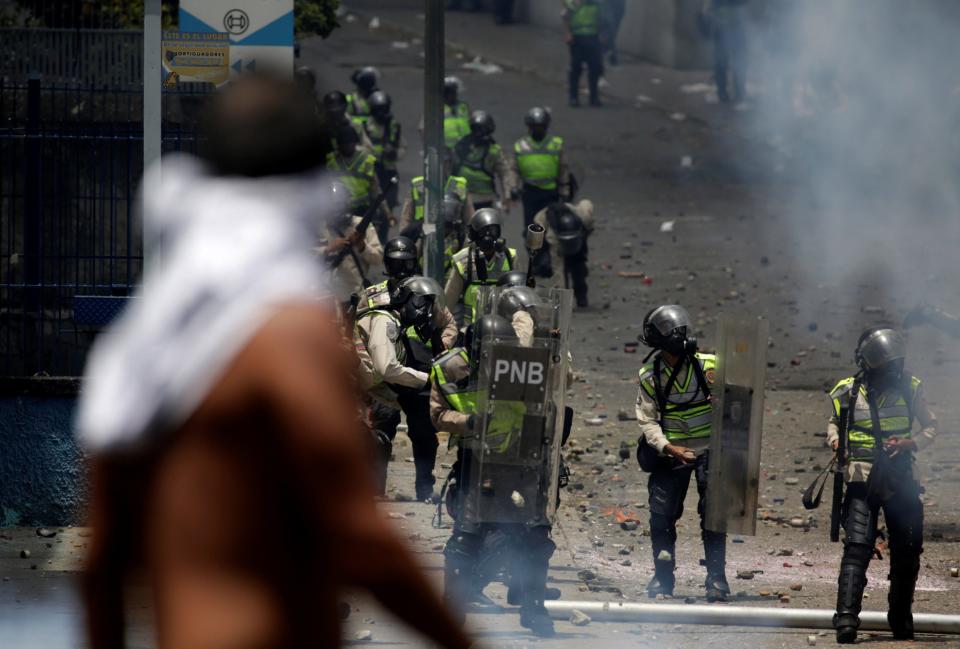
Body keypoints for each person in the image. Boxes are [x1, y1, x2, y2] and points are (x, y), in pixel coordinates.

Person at [76, 74, 471, 649]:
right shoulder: (287, 327)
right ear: (313, 168)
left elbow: (104, 565)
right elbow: (359, 536)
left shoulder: (146, 345)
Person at [430, 314, 558, 637]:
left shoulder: (523, 366)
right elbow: (437, 414)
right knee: (466, 538)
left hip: (522, 461)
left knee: (536, 536)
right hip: (477, 461)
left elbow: (552, 401)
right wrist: (469, 422)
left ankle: (533, 609)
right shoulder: (449, 368)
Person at [827, 328, 936, 643]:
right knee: (857, 548)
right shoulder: (847, 391)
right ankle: (846, 620)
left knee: (907, 549)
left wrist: (910, 443)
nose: (892, 369)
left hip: (900, 477)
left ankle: (900, 618)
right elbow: (834, 422)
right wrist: (837, 443)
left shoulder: (910, 388)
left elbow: (931, 426)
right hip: (861, 478)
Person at [634, 304, 730, 602]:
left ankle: (717, 579)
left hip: (709, 451)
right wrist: (669, 448)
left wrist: (722, 402)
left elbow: (739, 407)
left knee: (713, 517)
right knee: (661, 517)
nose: (681, 336)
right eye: (673, 332)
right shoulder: (651, 375)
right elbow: (647, 421)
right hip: (672, 452)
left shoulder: (710, 366)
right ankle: (663, 579)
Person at [356, 275, 452, 502]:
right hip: (358, 385)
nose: (425, 311)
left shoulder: (395, 322)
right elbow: (387, 367)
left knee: (424, 430)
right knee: (376, 435)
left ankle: (422, 490)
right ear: (407, 299)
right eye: (421, 304)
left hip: (377, 384)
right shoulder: (385, 321)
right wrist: (425, 379)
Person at [445, 208, 518, 327]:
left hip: (503, 330)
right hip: (470, 331)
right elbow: (448, 303)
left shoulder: (511, 257)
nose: (488, 236)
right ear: (474, 235)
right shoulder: (463, 260)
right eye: (483, 231)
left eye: (493, 230)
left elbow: (519, 296)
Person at [317, 181, 383, 305]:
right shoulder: (321, 228)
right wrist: (329, 249)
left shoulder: (362, 225)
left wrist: (362, 246)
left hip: (357, 296)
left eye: (339, 206)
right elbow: (303, 259)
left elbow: (378, 259)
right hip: (327, 297)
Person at [326, 125, 392, 245]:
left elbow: (376, 190)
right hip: (336, 213)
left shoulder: (366, 161)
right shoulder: (331, 162)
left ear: (355, 143)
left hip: (361, 213)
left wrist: (387, 213)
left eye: (349, 143)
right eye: (343, 144)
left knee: (362, 248)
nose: (346, 146)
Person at [511, 107, 571, 233]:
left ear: (546, 126)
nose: (538, 130)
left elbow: (563, 170)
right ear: (529, 127)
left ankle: (550, 250)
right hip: (530, 192)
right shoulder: (520, 146)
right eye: (535, 126)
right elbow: (513, 169)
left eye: (541, 126)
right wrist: (513, 187)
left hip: (551, 193)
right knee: (531, 227)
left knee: (552, 226)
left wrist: (565, 191)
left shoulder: (556, 144)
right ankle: (534, 250)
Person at [533, 200, 594, 307]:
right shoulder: (551, 235)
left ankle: (581, 296)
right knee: (556, 270)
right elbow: (558, 270)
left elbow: (589, 225)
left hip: (579, 239)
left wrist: (582, 242)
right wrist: (562, 299)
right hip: (548, 236)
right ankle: (562, 301)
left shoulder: (584, 218)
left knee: (579, 269)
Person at [452, 111, 515, 210]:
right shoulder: (461, 145)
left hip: (485, 199)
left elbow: (505, 173)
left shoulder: (494, 151)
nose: (478, 133)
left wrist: (507, 196)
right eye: (476, 129)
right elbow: (448, 166)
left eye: (482, 130)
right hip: (460, 196)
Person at [364, 91, 405, 218]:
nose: (381, 112)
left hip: (388, 170)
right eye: (378, 109)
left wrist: (394, 153)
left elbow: (403, 146)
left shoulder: (394, 126)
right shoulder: (365, 125)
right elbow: (362, 146)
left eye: (384, 108)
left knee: (390, 200)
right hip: (372, 169)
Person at [563, 0, 606, 107]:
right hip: (577, 38)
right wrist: (568, 33)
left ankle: (594, 97)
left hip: (593, 37)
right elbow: (565, 17)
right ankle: (573, 98)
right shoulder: (572, 2)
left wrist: (602, 34)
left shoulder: (596, 3)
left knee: (595, 68)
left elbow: (601, 18)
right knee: (576, 67)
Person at [704, 0, 748, 103]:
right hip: (726, 20)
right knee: (727, 59)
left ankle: (731, 92)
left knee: (730, 59)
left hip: (729, 19)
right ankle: (733, 92)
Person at [443, 77, 472, 149]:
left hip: (465, 148)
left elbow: (471, 122)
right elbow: (423, 129)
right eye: (449, 92)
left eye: (454, 91)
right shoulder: (437, 108)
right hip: (445, 149)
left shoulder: (463, 107)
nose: (452, 94)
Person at [603, 0, 626, 65]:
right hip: (611, 6)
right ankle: (613, 57)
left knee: (612, 32)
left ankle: (607, 50)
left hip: (618, 6)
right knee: (611, 31)